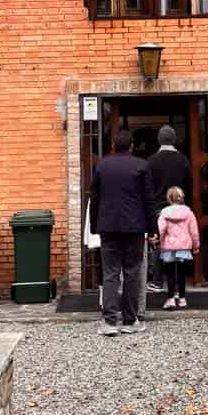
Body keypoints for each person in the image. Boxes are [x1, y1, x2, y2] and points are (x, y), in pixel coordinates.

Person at [89, 126, 155, 336]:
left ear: (112, 146)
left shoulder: (102, 166)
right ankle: (129, 320)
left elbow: (95, 198)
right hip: (135, 227)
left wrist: (94, 226)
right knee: (132, 273)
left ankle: (109, 322)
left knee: (110, 273)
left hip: (108, 226)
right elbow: (148, 200)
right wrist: (153, 228)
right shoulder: (141, 166)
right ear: (132, 147)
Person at [147, 125, 193, 291]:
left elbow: (148, 188)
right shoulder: (183, 160)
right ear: (174, 140)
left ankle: (157, 281)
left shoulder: (151, 161)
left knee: (158, 244)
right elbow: (189, 185)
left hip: (159, 208)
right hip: (179, 207)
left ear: (159, 140)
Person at [157, 186, 199, 309]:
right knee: (182, 274)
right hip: (184, 247)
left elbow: (161, 230)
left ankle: (170, 299)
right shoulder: (188, 213)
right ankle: (182, 299)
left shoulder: (164, 213)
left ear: (168, 198)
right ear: (181, 198)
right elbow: (194, 231)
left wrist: (157, 241)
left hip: (169, 247)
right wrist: (196, 245)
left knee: (170, 273)